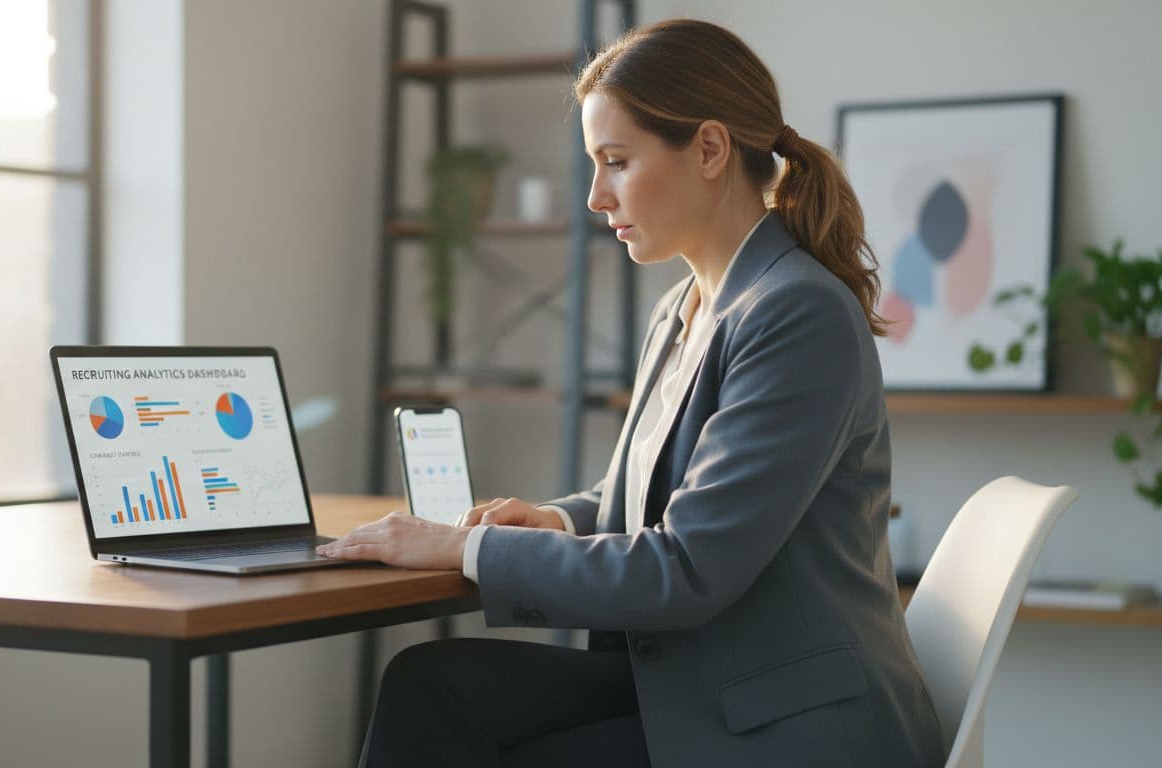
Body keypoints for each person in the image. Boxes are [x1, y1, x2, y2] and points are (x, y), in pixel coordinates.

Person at [317, 18, 945, 768]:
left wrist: (468, 547)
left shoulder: (796, 313)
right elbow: (641, 500)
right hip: (696, 680)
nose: (594, 195)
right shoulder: (680, 310)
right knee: (431, 685)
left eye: (616, 162)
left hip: (788, 723)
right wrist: (554, 518)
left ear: (710, 149)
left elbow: (684, 567)